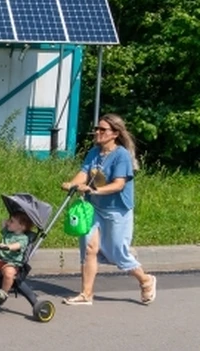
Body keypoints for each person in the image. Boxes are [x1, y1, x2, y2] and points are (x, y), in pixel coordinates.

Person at [60, 113, 156, 305]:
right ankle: (86, 294)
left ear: (115, 134)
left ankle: (146, 280)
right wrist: (72, 183)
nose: (97, 132)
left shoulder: (121, 156)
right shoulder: (94, 152)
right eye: (97, 128)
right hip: (93, 207)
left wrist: (94, 190)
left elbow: (119, 184)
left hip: (117, 210)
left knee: (117, 252)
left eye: (102, 129)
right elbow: (84, 173)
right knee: (89, 248)